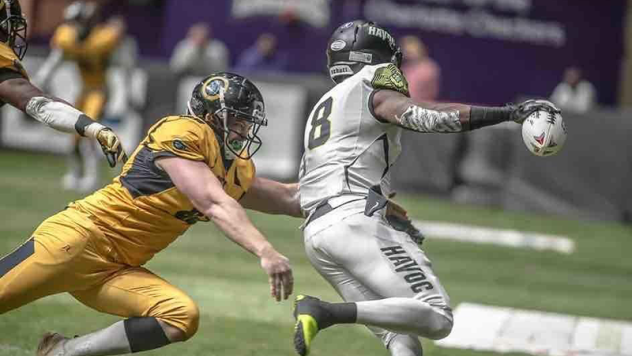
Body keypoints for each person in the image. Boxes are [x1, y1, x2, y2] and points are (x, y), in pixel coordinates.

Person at [292, 20, 560, 356]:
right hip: (351, 221)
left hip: (316, 233)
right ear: (376, 59)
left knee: (399, 336)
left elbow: (331, 175)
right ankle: (324, 311)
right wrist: (508, 113)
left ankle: (326, 312)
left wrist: (381, 209)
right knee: (436, 315)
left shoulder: (326, 104)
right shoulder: (369, 86)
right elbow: (424, 114)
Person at [0, 72, 300, 356]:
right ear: (212, 118)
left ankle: (64, 351)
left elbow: (289, 197)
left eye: (248, 123)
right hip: (77, 242)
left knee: (180, 316)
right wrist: (264, 250)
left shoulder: (231, 166)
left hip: (115, 269)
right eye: (239, 121)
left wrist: (341, 194)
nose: (245, 131)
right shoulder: (184, 131)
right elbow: (214, 202)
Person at [0, 0, 126, 167]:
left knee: (79, 138)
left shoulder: (101, 39)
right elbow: (36, 100)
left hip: (97, 89)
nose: (10, 32)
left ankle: (87, 175)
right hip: (90, 90)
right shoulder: (70, 38)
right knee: (78, 139)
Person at [38, 1, 125, 192]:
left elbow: (123, 63)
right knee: (74, 136)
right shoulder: (67, 37)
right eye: (73, 21)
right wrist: (42, 79)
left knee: (89, 135)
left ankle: (91, 177)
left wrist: (123, 92)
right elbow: (55, 60)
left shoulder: (103, 38)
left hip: (100, 91)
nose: (75, 26)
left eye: (80, 20)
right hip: (84, 91)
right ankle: (75, 173)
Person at [400, 35, 440, 102]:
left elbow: (431, 91)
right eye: (406, 50)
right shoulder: (403, 68)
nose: (408, 53)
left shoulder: (429, 68)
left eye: (411, 50)